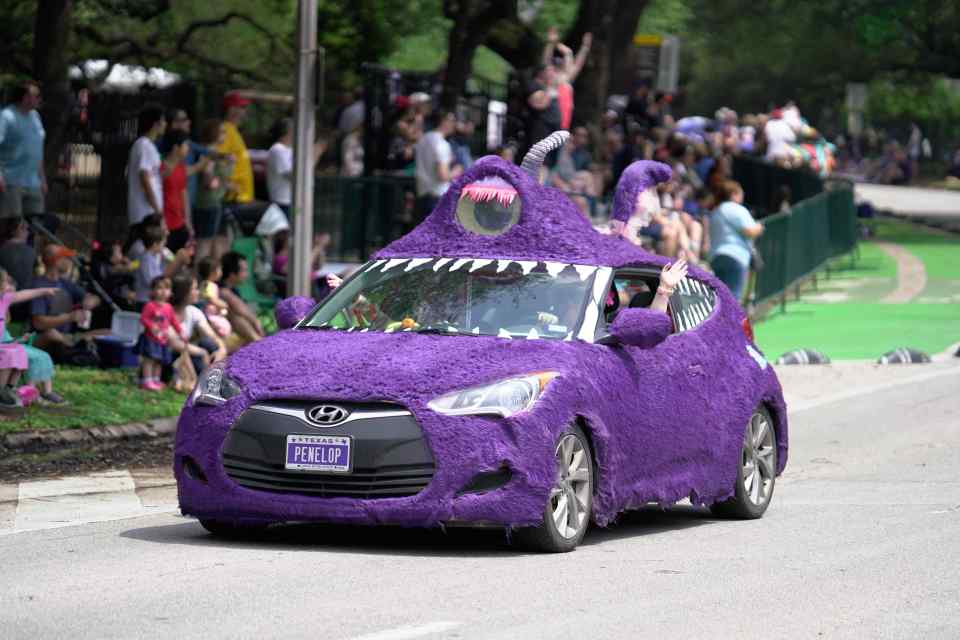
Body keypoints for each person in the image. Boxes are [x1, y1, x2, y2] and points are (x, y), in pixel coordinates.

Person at [30, 244, 103, 361]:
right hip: (43, 337)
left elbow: (96, 299)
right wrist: (69, 317)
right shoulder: (38, 286)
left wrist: (91, 300)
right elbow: (38, 323)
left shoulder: (65, 283)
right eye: (65, 258)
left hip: (68, 337)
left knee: (108, 332)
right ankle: (76, 349)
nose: (69, 261)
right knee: (52, 334)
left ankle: (74, 348)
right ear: (55, 261)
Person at [0, 268, 58, 409]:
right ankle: (0, 390)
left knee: (18, 351)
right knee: (9, 354)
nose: (9, 286)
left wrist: (43, 291)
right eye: (6, 282)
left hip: (3, 343)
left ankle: (9, 387)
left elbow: (24, 294)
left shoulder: (3, 300)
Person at [708, 180, 764, 302]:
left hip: (716, 257)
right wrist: (759, 227)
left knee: (720, 298)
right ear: (733, 194)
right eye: (740, 192)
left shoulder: (716, 211)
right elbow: (750, 231)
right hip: (736, 256)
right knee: (733, 298)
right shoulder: (736, 209)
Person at [0, 80, 46, 220]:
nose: (39, 99)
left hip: (34, 183)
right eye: (36, 95)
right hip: (11, 182)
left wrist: (43, 178)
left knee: (35, 225)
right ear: (25, 97)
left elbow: (37, 149)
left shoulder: (35, 117)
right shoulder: (6, 116)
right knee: (11, 226)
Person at [169, 274, 227, 376]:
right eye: (194, 289)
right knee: (197, 358)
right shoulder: (166, 312)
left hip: (188, 352)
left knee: (208, 343)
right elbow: (173, 343)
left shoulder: (193, 311)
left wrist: (221, 349)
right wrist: (201, 352)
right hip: (169, 356)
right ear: (184, 292)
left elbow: (212, 335)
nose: (198, 292)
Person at [194, 119, 232, 263]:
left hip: (215, 202)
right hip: (207, 203)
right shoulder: (209, 152)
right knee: (205, 243)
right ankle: (200, 278)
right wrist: (225, 184)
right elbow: (208, 181)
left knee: (219, 242)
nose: (224, 134)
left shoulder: (214, 152)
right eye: (221, 131)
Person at [136, 276, 181, 391]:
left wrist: (179, 330)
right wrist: (151, 326)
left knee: (159, 361)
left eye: (166, 288)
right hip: (151, 339)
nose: (163, 291)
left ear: (170, 292)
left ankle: (156, 380)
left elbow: (173, 320)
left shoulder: (168, 307)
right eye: (159, 288)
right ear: (153, 291)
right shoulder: (150, 305)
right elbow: (143, 319)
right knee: (149, 360)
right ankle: (147, 380)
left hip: (163, 339)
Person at [542, 27, 591, 131]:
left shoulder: (566, 78)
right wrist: (551, 43)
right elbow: (546, 60)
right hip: (549, 121)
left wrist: (584, 47)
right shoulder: (551, 76)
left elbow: (577, 63)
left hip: (562, 125)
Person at [414, 110, 459, 222]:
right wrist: (456, 171)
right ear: (444, 122)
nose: (454, 124)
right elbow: (443, 176)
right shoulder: (442, 144)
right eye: (452, 120)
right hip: (438, 198)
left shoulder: (423, 139)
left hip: (422, 195)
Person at [127, 103, 166, 231]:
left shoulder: (149, 146)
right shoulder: (143, 145)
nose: (165, 124)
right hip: (144, 213)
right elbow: (145, 178)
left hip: (148, 211)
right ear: (155, 124)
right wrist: (157, 209)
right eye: (163, 120)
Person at [133, 224, 192, 306]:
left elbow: (173, 259)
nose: (164, 246)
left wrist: (175, 261)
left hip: (156, 300)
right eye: (162, 243)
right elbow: (152, 282)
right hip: (145, 301)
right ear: (155, 244)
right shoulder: (145, 260)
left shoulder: (158, 254)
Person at [218, 251, 264, 348]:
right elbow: (238, 307)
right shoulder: (220, 290)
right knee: (236, 317)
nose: (247, 274)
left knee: (240, 317)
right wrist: (255, 321)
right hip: (221, 331)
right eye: (244, 270)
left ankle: (259, 342)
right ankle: (259, 343)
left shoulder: (234, 289)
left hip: (236, 332)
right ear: (232, 274)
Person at [217, 92, 254, 205]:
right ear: (231, 109)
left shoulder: (233, 130)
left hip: (241, 197)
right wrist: (228, 185)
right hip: (233, 198)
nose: (245, 111)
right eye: (242, 107)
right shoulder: (225, 130)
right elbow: (218, 160)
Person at [160, 130, 193, 253]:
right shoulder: (161, 168)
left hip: (179, 224)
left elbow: (184, 194)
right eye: (185, 145)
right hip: (165, 224)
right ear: (175, 148)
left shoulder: (181, 168)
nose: (188, 148)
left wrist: (188, 220)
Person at [0, 216, 36, 318]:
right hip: (25, 302)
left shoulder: (1, 249)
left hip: (6, 302)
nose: (28, 233)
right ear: (19, 229)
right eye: (26, 229)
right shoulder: (31, 252)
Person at [195, 257, 231, 338]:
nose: (221, 271)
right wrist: (223, 304)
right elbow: (211, 299)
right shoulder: (209, 285)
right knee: (223, 328)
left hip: (212, 313)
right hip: (209, 314)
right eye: (220, 269)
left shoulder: (207, 284)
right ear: (212, 272)